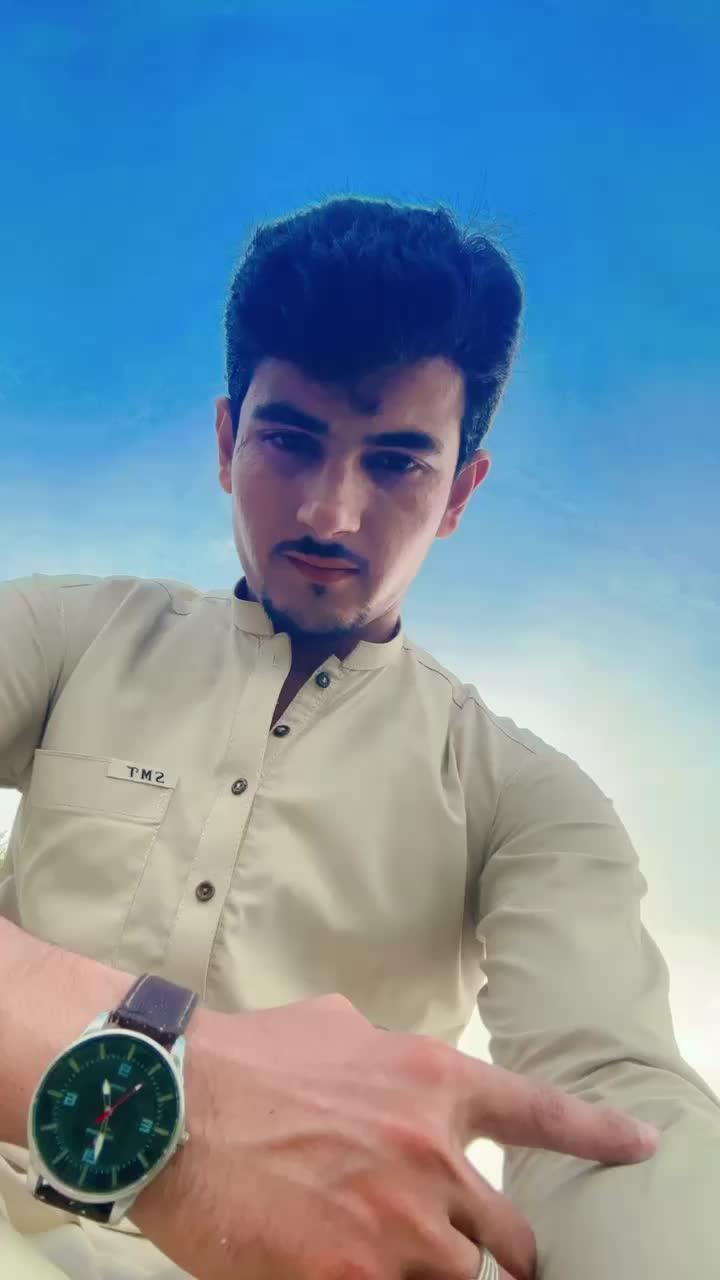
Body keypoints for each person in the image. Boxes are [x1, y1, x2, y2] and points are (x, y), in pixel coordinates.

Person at [0, 195, 718, 1280]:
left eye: (396, 463)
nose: (330, 514)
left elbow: (612, 1090)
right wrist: (199, 1088)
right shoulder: (64, 637)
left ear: (462, 491)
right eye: (291, 441)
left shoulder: (525, 800)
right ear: (227, 442)